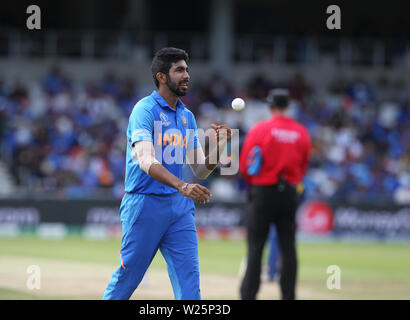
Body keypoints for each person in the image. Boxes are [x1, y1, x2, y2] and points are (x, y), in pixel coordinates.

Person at [103, 47, 232, 300]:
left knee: (189, 283)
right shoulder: (145, 110)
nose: (186, 75)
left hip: (179, 208)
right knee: (128, 278)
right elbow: (146, 161)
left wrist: (220, 146)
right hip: (145, 203)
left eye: (187, 70)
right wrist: (183, 186)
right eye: (179, 70)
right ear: (162, 77)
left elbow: (200, 170)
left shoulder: (187, 116)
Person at [239, 88, 311, 300]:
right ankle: (288, 295)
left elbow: (245, 164)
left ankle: (248, 295)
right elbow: (304, 165)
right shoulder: (301, 132)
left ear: (270, 107)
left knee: (255, 247)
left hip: (263, 191)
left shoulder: (260, 129)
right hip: (289, 192)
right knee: (288, 247)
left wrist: (256, 185)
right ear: (288, 107)